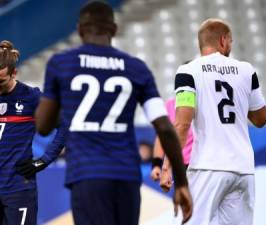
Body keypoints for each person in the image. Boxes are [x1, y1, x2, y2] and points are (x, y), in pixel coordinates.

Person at [34, 1, 193, 225]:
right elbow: (165, 128)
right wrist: (183, 183)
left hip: (87, 175)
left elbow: (43, 126)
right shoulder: (136, 67)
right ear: (114, 29)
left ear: (79, 29)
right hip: (126, 175)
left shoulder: (62, 64)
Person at [174, 18, 266, 225]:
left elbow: (182, 123)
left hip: (208, 166)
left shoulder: (188, 71)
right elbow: (261, 119)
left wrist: (167, 166)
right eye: (231, 42)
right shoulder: (246, 70)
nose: (231, 46)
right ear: (224, 40)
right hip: (243, 169)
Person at [0, 40, 65, 225]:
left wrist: (44, 160)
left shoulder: (31, 97)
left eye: (0, 81)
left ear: (14, 73)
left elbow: (65, 125)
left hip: (19, 188)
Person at [150, 98, 193, 192]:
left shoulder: (206, 100)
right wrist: (157, 164)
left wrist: (166, 167)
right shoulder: (171, 103)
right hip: (181, 165)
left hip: (202, 164)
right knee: (185, 203)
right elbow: (163, 135)